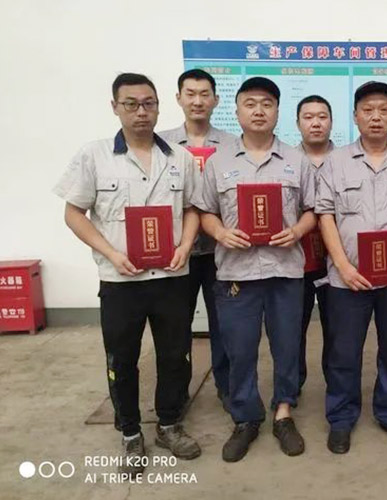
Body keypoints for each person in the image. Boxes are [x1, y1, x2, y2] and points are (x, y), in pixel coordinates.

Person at [53, 73, 202, 476]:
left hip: (172, 277)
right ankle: (131, 431)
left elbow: (192, 209)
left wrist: (186, 246)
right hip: (121, 280)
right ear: (115, 107)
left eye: (148, 103)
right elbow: (74, 213)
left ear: (159, 106)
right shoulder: (95, 155)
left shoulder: (180, 158)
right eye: (131, 104)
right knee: (122, 358)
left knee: (176, 355)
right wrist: (111, 253)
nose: (141, 112)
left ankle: (169, 424)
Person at [193, 77, 316, 460]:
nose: (258, 111)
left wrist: (297, 230)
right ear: (237, 111)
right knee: (240, 349)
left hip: (285, 271)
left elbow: (313, 210)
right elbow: (204, 211)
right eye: (250, 103)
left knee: (287, 346)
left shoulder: (296, 160)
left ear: (278, 111)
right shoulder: (218, 162)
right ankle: (245, 417)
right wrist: (220, 233)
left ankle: (283, 412)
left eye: (266, 103)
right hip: (236, 274)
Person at [315, 81, 387, 453]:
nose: (376, 117)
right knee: (343, 351)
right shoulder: (336, 162)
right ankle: (341, 418)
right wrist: (341, 265)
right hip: (347, 278)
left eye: (383, 109)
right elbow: (325, 215)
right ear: (355, 116)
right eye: (368, 110)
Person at [160, 68, 236, 411]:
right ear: (178, 98)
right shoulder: (162, 145)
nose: (197, 101)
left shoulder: (232, 145)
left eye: (205, 94)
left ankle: (227, 388)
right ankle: (176, 393)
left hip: (222, 251)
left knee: (225, 325)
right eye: (190, 94)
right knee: (175, 327)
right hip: (178, 252)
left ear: (216, 100)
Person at [295, 94, 335, 395]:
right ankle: (292, 386)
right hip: (297, 258)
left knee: (338, 329)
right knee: (294, 328)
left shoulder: (346, 160)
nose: (316, 123)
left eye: (322, 116)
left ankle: (336, 386)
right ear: (298, 123)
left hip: (338, 259)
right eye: (308, 117)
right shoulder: (287, 161)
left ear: (331, 122)